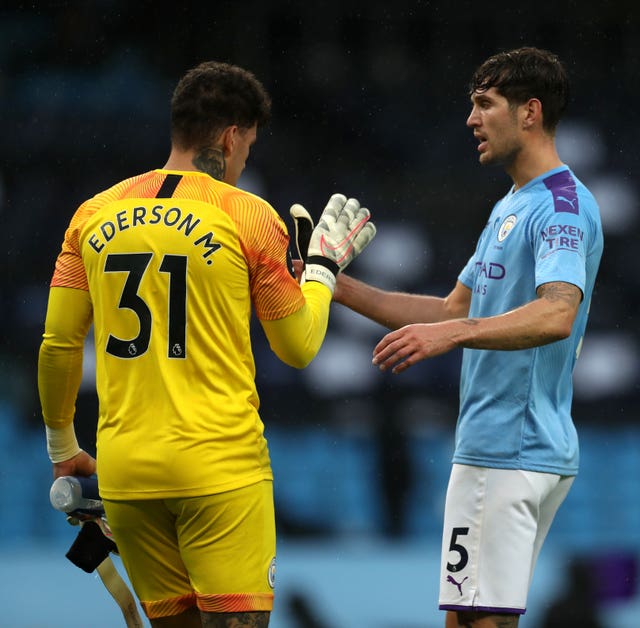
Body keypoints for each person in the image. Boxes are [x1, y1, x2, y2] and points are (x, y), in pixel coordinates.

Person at [38, 60, 375, 628]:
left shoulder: (91, 215)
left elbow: (58, 344)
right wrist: (321, 270)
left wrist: (61, 445)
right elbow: (298, 347)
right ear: (230, 136)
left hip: (127, 474)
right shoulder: (246, 214)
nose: (245, 162)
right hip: (220, 468)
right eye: (248, 146)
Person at [329, 47, 603, 627]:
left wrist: (453, 334)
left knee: (481, 622)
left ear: (530, 112)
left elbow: (557, 312)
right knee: (467, 618)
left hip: (509, 447)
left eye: (485, 104)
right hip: (502, 447)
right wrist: (334, 285)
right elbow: (450, 307)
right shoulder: (513, 204)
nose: (471, 119)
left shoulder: (559, 208)